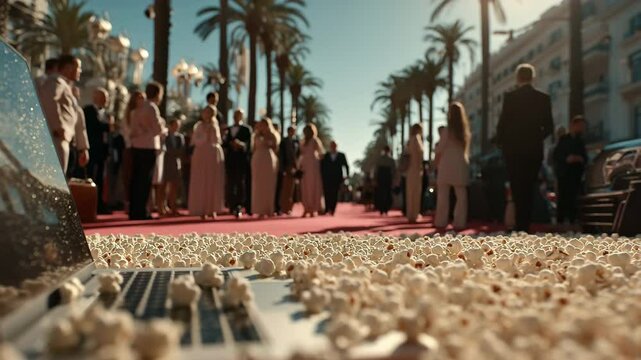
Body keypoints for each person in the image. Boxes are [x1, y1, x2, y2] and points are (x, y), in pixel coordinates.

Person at [496, 63, 554, 233]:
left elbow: (502, 124)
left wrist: (502, 142)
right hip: (533, 150)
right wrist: (536, 138)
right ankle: (525, 225)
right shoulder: (543, 98)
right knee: (529, 187)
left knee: (516, 186)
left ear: (518, 78)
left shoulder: (510, 97)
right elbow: (549, 127)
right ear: (532, 77)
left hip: (513, 150)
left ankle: (518, 225)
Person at [39, 55, 88, 174]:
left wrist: (82, 147)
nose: (80, 71)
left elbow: (76, 116)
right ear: (68, 67)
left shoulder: (67, 87)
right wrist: (58, 127)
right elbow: (49, 99)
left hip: (63, 140)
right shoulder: (56, 81)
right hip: (57, 139)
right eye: (78, 67)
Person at [128, 81, 165, 220]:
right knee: (145, 180)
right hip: (148, 146)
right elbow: (158, 130)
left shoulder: (138, 107)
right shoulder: (152, 107)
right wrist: (163, 128)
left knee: (136, 179)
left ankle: (134, 210)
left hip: (136, 146)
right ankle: (142, 211)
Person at [434, 102, 471, 230]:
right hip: (460, 164)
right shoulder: (464, 132)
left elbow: (439, 150)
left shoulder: (446, 131)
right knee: (461, 195)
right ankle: (459, 222)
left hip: (446, 165)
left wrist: (435, 165)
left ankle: (441, 221)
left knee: (443, 195)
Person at [189, 105, 225, 219]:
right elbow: (195, 140)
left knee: (212, 181)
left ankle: (212, 208)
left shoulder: (215, 126)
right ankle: (201, 209)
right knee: (201, 180)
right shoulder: (198, 126)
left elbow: (217, 140)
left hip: (213, 154)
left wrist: (212, 133)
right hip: (201, 154)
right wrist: (205, 135)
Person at [553, 116, 587, 229]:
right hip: (564, 175)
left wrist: (580, 159)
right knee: (563, 199)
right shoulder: (564, 140)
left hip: (576, 176)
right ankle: (561, 222)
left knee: (574, 199)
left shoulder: (580, 141)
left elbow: (584, 157)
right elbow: (557, 156)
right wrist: (567, 159)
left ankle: (573, 221)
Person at [83, 88, 112, 213]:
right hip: (92, 150)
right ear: (96, 97)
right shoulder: (88, 110)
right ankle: (88, 205)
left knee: (100, 178)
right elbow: (93, 127)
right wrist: (108, 126)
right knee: (90, 177)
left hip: (103, 151)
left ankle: (99, 205)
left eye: (107, 97)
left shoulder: (106, 113)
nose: (106, 100)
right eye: (103, 97)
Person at [223, 109, 252, 218]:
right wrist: (230, 144)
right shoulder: (228, 129)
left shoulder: (246, 129)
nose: (236, 117)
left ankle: (239, 206)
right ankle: (231, 205)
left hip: (241, 160)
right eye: (235, 115)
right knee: (230, 183)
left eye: (238, 115)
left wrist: (240, 145)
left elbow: (249, 145)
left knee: (240, 183)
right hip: (230, 160)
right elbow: (224, 143)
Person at [121, 91, 146, 213]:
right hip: (130, 148)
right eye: (139, 98)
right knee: (129, 176)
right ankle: (128, 203)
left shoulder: (143, 113)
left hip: (141, 147)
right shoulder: (129, 114)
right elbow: (128, 132)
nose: (141, 100)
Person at [251, 118, 280, 218]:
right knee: (258, 184)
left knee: (268, 184)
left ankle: (269, 209)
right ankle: (259, 209)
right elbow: (254, 148)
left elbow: (275, 147)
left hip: (268, 159)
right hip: (258, 159)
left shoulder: (272, 135)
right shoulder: (256, 135)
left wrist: (268, 139)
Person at [299, 124, 325, 217]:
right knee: (305, 187)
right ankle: (306, 208)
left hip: (313, 165)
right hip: (305, 165)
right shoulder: (302, 141)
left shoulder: (315, 141)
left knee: (313, 187)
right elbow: (300, 154)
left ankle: (313, 208)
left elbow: (321, 153)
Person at [163, 118, 186, 216]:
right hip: (166, 163)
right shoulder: (165, 136)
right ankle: (163, 206)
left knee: (175, 186)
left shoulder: (180, 137)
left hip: (176, 163)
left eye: (178, 125)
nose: (176, 127)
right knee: (164, 185)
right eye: (175, 125)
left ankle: (173, 207)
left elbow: (182, 150)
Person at [321, 141, 350, 216]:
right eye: (332, 145)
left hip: (337, 178)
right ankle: (327, 209)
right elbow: (322, 166)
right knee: (327, 193)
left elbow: (346, 165)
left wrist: (347, 175)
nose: (333, 146)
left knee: (334, 193)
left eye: (334, 145)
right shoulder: (326, 155)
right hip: (327, 177)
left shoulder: (341, 155)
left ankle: (332, 209)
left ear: (336, 146)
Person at [405, 123, 424, 223]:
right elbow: (419, 154)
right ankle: (414, 214)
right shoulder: (417, 138)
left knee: (410, 192)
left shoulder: (409, 140)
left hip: (410, 169)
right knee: (416, 192)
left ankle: (410, 214)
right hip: (416, 168)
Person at [279, 126, 300, 215]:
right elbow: (282, 155)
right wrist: (283, 168)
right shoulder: (283, 141)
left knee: (292, 189)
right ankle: (283, 208)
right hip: (286, 167)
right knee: (285, 188)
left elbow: (298, 154)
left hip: (294, 167)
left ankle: (289, 208)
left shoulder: (297, 142)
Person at [374, 145, 395, 215]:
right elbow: (376, 170)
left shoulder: (391, 160)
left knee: (387, 193)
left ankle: (385, 208)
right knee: (382, 193)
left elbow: (394, 170)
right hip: (382, 177)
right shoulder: (380, 159)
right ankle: (382, 208)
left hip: (387, 177)